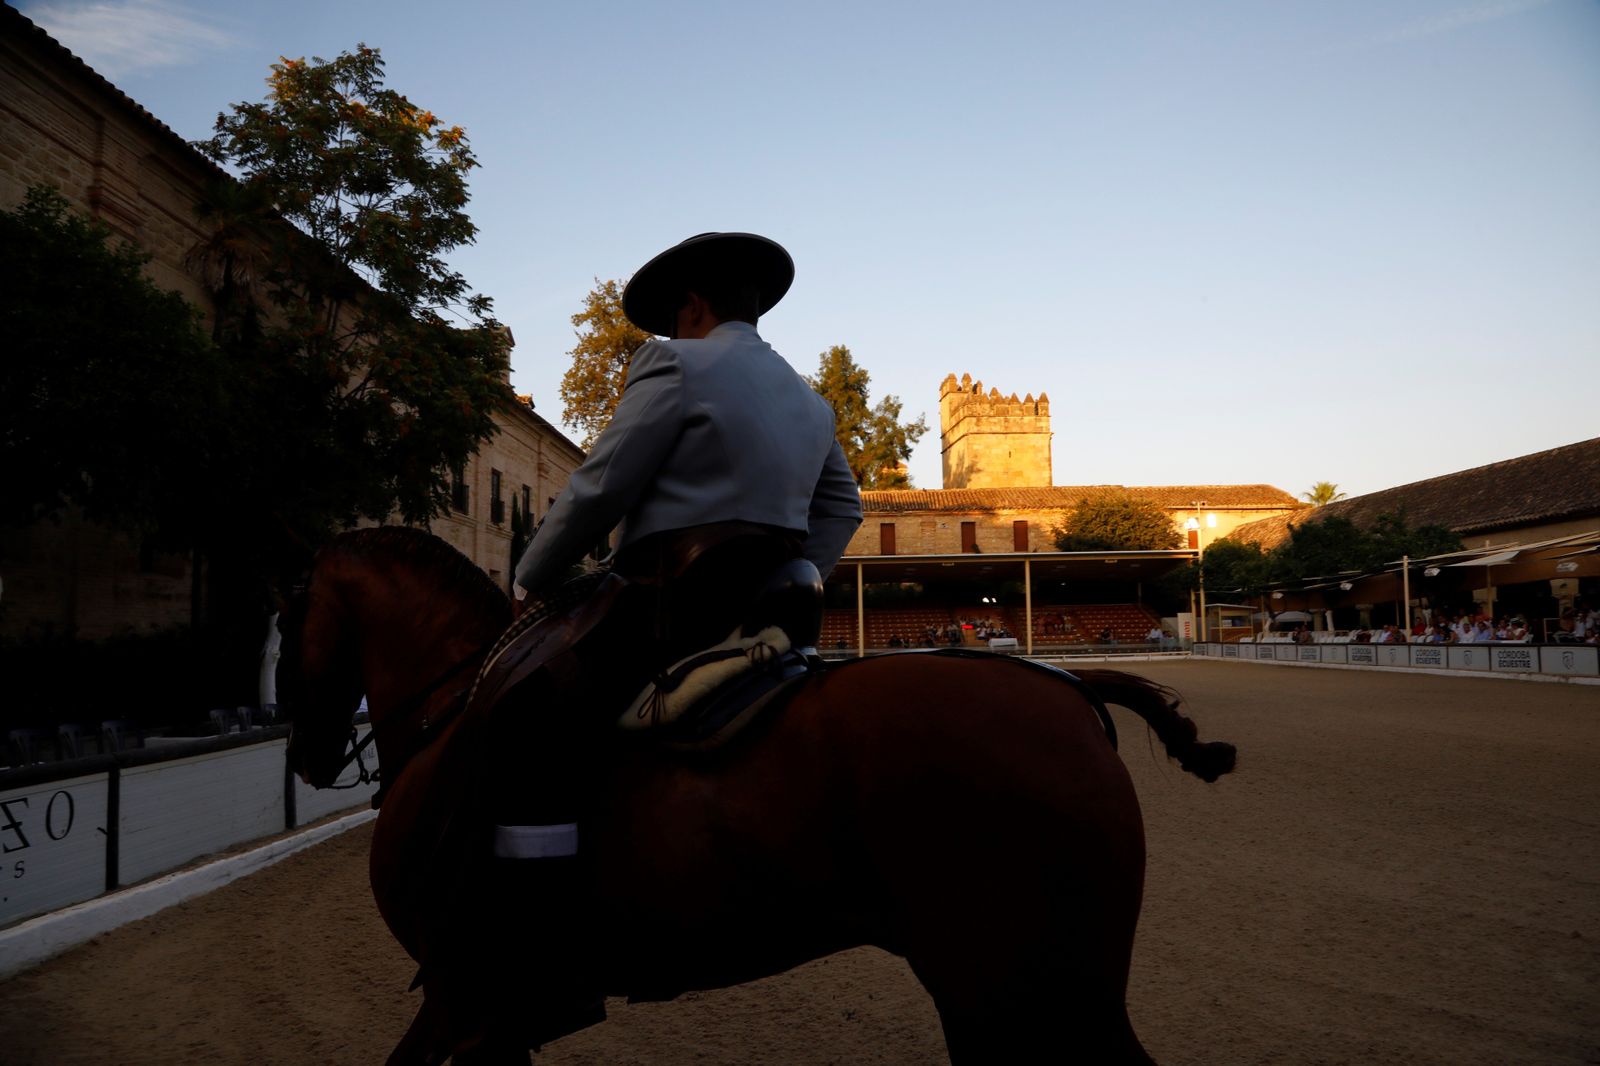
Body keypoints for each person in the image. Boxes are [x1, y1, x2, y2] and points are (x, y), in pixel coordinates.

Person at [493, 233, 863, 1047]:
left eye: (671, 315)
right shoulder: (812, 403)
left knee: (526, 716)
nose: (667, 329)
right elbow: (845, 508)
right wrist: (786, 568)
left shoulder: (673, 363)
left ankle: (539, 951)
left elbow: (602, 486)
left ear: (693, 306)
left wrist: (530, 577)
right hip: (774, 614)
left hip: (669, 606)